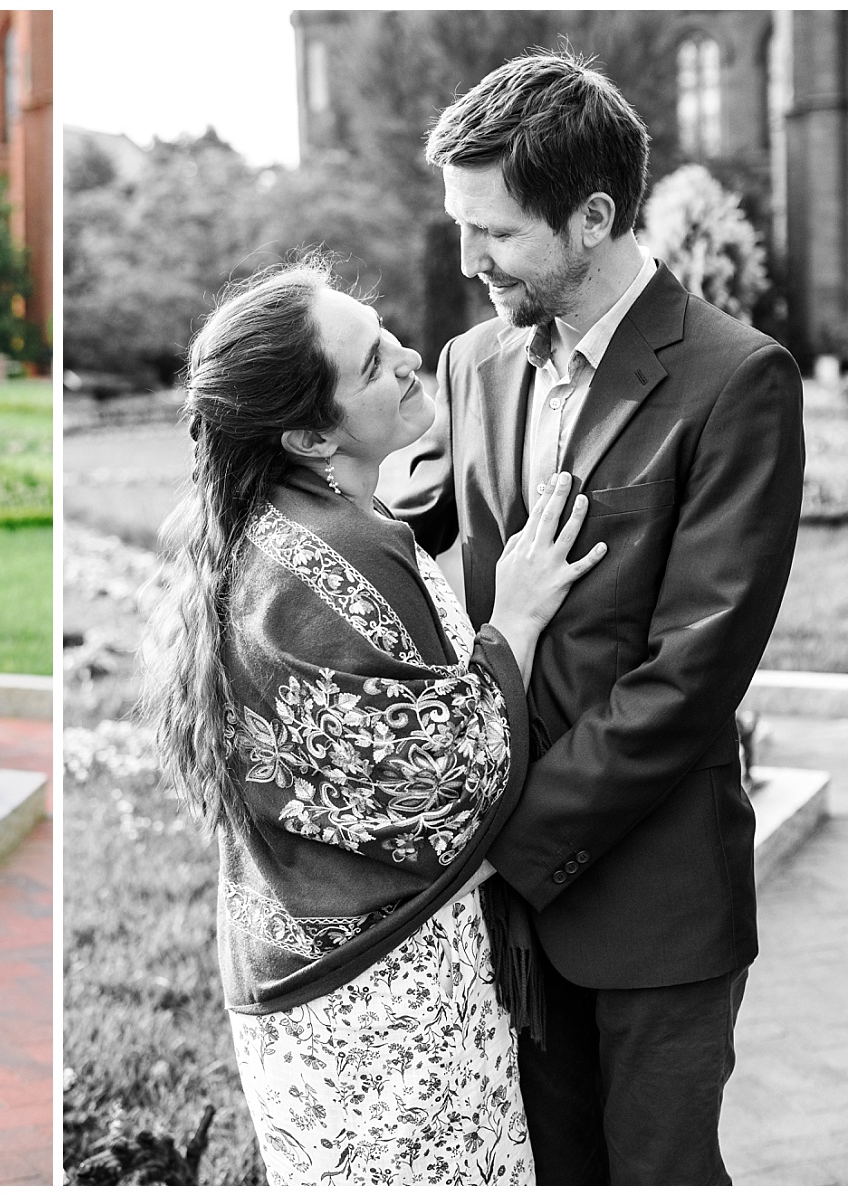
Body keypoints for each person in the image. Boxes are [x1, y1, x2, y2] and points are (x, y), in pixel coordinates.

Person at [389, 51, 805, 1184]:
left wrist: (503, 847)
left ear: (593, 216)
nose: (467, 259)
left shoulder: (737, 379)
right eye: (459, 226)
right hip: (503, 922)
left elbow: (689, 675)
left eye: (496, 235)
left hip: (653, 908)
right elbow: (407, 534)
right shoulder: (470, 362)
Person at [140, 258, 605, 1184]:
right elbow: (441, 784)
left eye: (385, 332)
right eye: (370, 363)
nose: (408, 356)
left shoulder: (259, 531)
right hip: (384, 1005)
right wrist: (511, 621)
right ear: (311, 434)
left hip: (295, 995)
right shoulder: (339, 554)